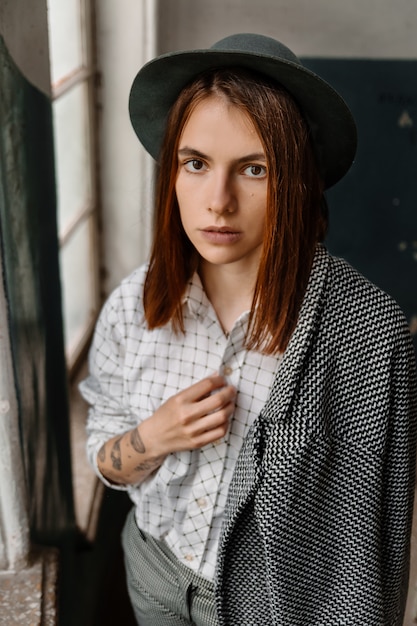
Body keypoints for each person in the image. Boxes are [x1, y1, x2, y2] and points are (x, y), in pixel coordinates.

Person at [80, 33, 417, 625]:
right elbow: (105, 461)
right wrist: (153, 437)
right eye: (196, 163)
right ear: (172, 173)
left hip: (276, 605)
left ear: (294, 180)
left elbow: (374, 531)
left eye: (254, 169)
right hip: (154, 572)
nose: (219, 201)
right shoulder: (134, 306)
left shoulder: (367, 332)